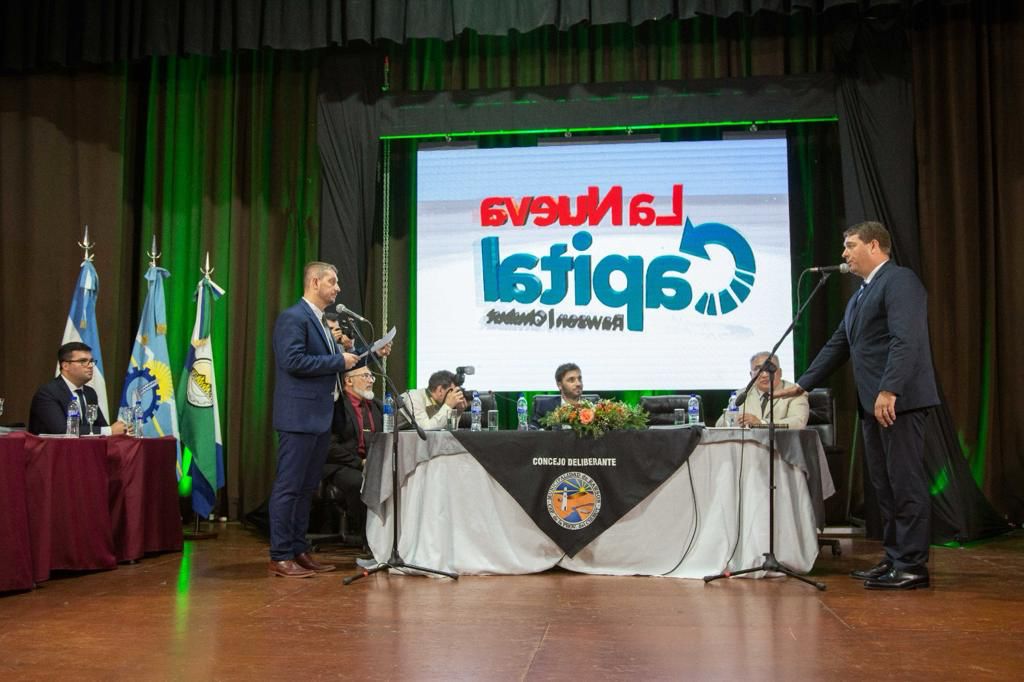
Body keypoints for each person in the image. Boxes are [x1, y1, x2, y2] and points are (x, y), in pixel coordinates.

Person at [776, 221, 938, 590]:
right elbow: (838, 345)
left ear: (874, 245)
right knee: (885, 486)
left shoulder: (900, 281)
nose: (844, 254)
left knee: (905, 482)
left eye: (850, 245)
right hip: (874, 405)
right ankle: (895, 557)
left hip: (899, 403)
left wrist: (890, 389)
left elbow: (906, 340)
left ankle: (912, 566)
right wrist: (801, 385)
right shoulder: (861, 295)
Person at [268, 261, 359, 578]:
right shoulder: (294, 318)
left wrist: (370, 354)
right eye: (332, 281)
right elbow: (293, 361)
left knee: (306, 489)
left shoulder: (321, 321)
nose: (338, 288)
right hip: (298, 418)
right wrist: (337, 360)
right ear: (315, 282)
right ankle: (280, 555)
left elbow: (332, 362)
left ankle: (298, 549)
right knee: (289, 487)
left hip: (319, 418)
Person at [323, 365, 382, 542]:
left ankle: (391, 536)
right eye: (365, 376)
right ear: (349, 381)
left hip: (372, 463)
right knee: (361, 482)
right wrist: (359, 462)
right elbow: (329, 447)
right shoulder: (336, 407)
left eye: (372, 377)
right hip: (341, 465)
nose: (370, 381)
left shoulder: (376, 406)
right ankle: (368, 537)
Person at [28, 342, 128, 435]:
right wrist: (109, 430)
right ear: (65, 366)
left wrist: (122, 429)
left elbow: (101, 425)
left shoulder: (90, 393)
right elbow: (62, 430)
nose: (90, 366)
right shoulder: (48, 393)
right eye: (83, 361)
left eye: (91, 361)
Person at [715, 352, 809, 428]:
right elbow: (719, 425)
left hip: (781, 445)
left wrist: (761, 423)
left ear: (780, 372)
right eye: (758, 369)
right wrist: (735, 421)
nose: (764, 375)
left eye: (769, 369)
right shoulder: (741, 395)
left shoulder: (795, 392)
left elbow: (798, 423)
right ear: (751, 375)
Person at [402, 370, 467, 430]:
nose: (454, 395)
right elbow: (425, 429)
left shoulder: (437, 403)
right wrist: (448, 406)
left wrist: (458, 412)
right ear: (440, 390)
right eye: (452, 391)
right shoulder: (414, 397)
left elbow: (447, 429)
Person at [531, 362, 584, 428]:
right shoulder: (545, 407)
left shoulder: (592, 408)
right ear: (559, 385)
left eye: (579, 379)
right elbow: (533, 430)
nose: (578, 384)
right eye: (571, 380)